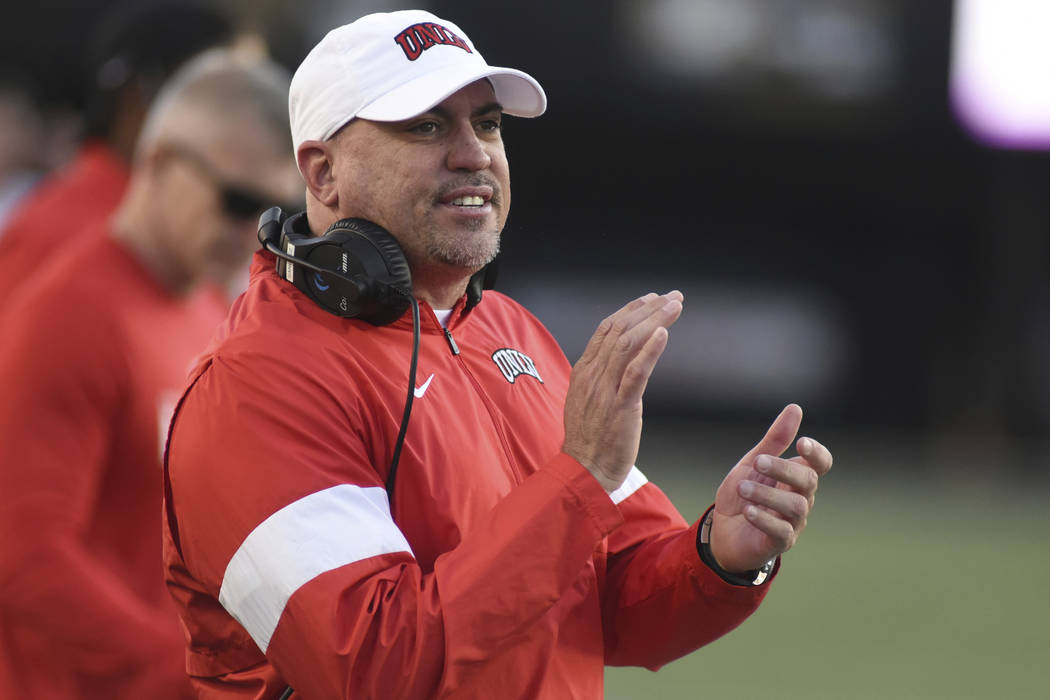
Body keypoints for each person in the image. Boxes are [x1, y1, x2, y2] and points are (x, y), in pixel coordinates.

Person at [162, 10, 834, 699]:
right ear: (323, 172)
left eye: (487, 123)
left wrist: (720, 555)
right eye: (426, 126)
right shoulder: (257, 384)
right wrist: (581, 477)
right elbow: (374, 667)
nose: (474, 153)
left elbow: (608, 600)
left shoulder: (510, 331)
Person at [0, 51, 302, 698]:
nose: (251, 233)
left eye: (274, 217)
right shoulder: (68, 318)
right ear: (160, 161)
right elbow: (22, 553)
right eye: (236, 201)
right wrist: (182, 669)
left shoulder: (206, 305)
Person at [0, 1, 235, 304]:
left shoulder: (188, 236)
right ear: (138, 94)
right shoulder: (54, 233)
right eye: (218, 95)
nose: (237, 120)